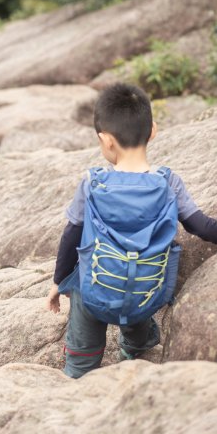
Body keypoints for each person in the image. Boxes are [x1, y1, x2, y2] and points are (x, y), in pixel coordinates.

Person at [46, 83, 217, 379]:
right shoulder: (168, 183)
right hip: (147, 294)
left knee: (79, 284)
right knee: (137, 277)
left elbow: (71, 235)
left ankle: (79, 371)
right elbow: (200, 225)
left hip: (96, 294)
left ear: (106, 140)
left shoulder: (93, 183)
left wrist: (58, 282)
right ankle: (137, 344)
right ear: (152, 130)